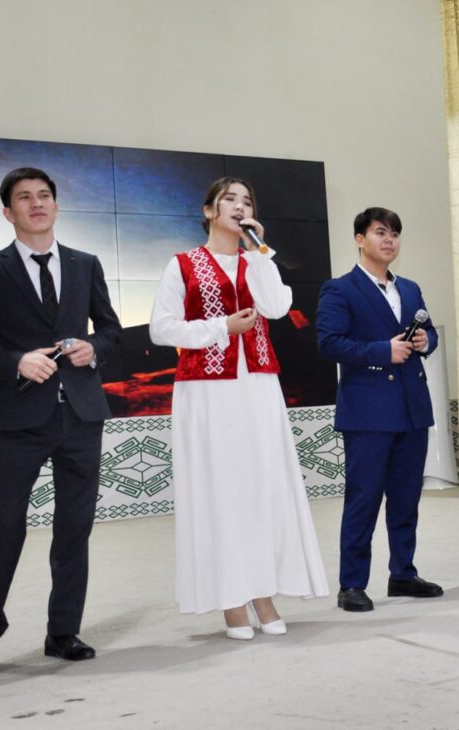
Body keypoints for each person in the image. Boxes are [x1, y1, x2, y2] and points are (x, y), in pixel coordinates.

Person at [0, 167, 122, 675]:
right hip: (23, 417)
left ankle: (63, 632)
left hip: (83, 415)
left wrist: (93, 348)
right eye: (24, 197)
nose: (36, 203)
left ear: (56, 204)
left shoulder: (85, 264)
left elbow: (110, 329)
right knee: (4, 527)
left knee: (74, 528)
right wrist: (15, 361)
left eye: (44, 195)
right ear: (9, 212)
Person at [149, 177, 328, 640]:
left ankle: (262, 593)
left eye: (247, 201)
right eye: (230, 199)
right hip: (207, 390)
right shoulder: (182, 264)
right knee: (220, 489)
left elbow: (277, 306)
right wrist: (220, 328)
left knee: (261, 486)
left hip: (258, 385)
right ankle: (231, 599)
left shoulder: (256, 260)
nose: (240, 206)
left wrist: (260, 253)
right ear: (209, 210)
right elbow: (161, 328)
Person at [316, 207, 443, 612]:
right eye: (380, 232)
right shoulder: (340, 289)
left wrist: (426, 341)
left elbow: (431, 332)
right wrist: (381, 351)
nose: (389, 240)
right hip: (368, 412)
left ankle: (403, 573)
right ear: (360, 239)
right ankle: (351, 584)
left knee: (406, 499)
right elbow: (329, 343)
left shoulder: (410, 288)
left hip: (412, 408)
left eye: (395, 234)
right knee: (364, 499)